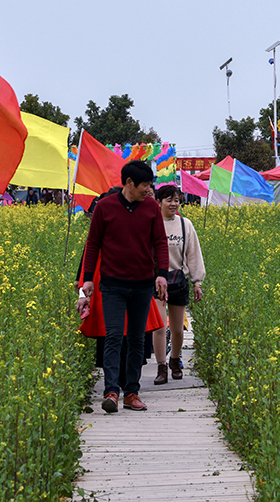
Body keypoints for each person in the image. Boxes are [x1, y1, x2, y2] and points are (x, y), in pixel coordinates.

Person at [78, 161, 168, 414]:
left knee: (137, 340)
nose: (149, 190)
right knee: (114, 336)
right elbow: (93, 244)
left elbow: (160, 242)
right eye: (145, 185)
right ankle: (111, 392)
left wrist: (161, 275)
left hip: (142, 284)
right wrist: (87, 280)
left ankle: (132, 393)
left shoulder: (150, 207)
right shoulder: (105, 207)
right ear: (129, 183)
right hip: (113, 284)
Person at [151, 185, 205, 385]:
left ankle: (175, 359)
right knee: (158, 327)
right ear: (159, 202)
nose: (173, 204)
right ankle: (161, 366)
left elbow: (193, 253)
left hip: (178, 281)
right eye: (169, 200)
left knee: (177, 329)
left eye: (177, 200)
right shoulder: (152, 224)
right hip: (156, 282)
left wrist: (197, 282)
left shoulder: (185, 225)